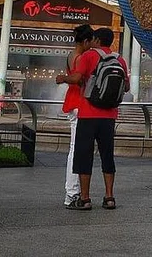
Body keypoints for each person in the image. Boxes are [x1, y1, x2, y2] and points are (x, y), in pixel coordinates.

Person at [57, 27, 129, 211]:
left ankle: (85, 198)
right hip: (110, 115)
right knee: (107, 156)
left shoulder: (89, 56)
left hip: (88, 114)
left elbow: (77, 78)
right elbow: (126, 87)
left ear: (96, 40)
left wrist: (62, 78)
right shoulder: (119, 59)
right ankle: (109, 197)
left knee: (83, 156)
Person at [56, 24, 95, 208]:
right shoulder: (81, 57)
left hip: (73, 103)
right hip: (79, 103)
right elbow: (77, 79)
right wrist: (65, 78)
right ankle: (71, 193)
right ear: (86, 41)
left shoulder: (70, 55)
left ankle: (74, 191)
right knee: (76, 149)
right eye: (90, 42)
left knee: (76, 148)